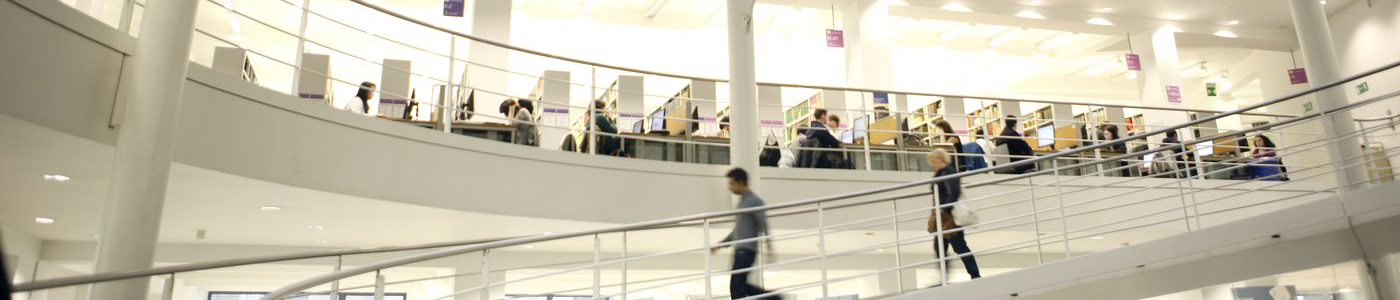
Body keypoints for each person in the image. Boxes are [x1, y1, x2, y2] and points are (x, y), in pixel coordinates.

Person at [710, 168, 778, 300]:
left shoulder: (754, 201)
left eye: (732, 183)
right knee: (740, 286)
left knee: (735, 287)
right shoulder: (742, 202)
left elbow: (763, 225)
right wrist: (719, 245)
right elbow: (737, 230)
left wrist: (770, 249)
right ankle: (773, 297)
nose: (730, 187)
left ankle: (774, 297)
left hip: (747, 251)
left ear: (741, 182)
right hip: (740, 251)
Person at [926, 149, 982, 280]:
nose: (932, 164)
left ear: (940, 159)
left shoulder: (948, 172)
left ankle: (975, 275)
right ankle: (947, 278)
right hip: (943, 214)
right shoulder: (942, 173)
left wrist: (944, 209)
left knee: (958, 246)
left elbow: (955, 192)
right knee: (941, 247)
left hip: (948, 215)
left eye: (933, 161)